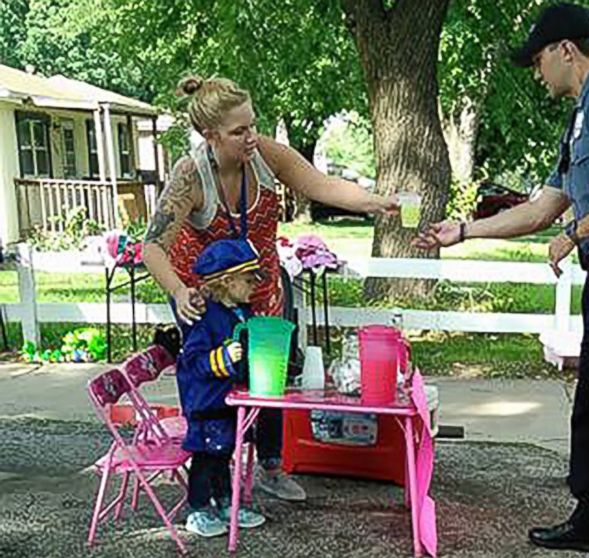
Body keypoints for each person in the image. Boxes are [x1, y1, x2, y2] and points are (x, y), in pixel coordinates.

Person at [413, 4, 589, 557]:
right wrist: (465, 230)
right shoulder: (583, 115)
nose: (537, 73)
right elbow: (542, 207)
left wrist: (577, 233)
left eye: (539, 59)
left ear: (566, 50)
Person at [143, 75, 399, 502]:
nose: (251, 137)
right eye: (239, 130)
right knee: (213, 378)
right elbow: (153, 247)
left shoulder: (265, 155)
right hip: (202, 298)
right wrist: (178, 291)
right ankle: (212, 475)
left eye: (253, 125)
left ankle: (271, 466)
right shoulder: (190, 175)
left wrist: (374, 201)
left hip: (260, 287)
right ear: (210, 135)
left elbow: (321, 184)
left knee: (270, 374)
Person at [176, 238, 266, 538]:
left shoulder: (241, 311)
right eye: (249, 278)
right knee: (205, 455)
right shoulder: (203, 317)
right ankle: (198, 507)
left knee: (224, 451)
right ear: (227, 282)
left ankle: (226, 501)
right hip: (206, 402)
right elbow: (193, 361)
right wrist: (222, 358)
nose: (255, 283)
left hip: (228, 398)